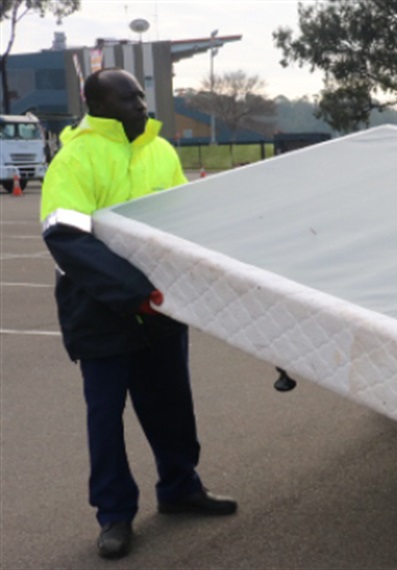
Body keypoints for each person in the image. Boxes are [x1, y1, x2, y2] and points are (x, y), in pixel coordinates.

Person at [39, 68, 237, 560]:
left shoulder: (161, 151)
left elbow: (182, 225)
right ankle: (114, 515)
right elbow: (66, 239)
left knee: (171, 400)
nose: (141, 104)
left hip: (162, 303)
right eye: (129, 98)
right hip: (100, 308)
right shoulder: (76, 158)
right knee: (106, 417)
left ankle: (179, 487)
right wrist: (135, 293)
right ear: (99, 105)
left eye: (142, 95)